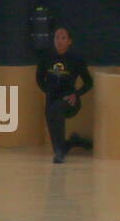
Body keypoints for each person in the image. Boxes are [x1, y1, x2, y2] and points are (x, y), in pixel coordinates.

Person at [35, 25, 93, 163]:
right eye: (57, 38)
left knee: (57, 109)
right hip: (52, 97)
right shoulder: (47, 58)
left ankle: (61, 151)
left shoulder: (76, 60)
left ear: (69, 41)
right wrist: (47, 91)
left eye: (63, 38)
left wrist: (76, 94)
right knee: (51, 112)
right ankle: (72, 143)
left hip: (70, 100)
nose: (59, 41)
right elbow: (39, 78)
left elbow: (88, 83)